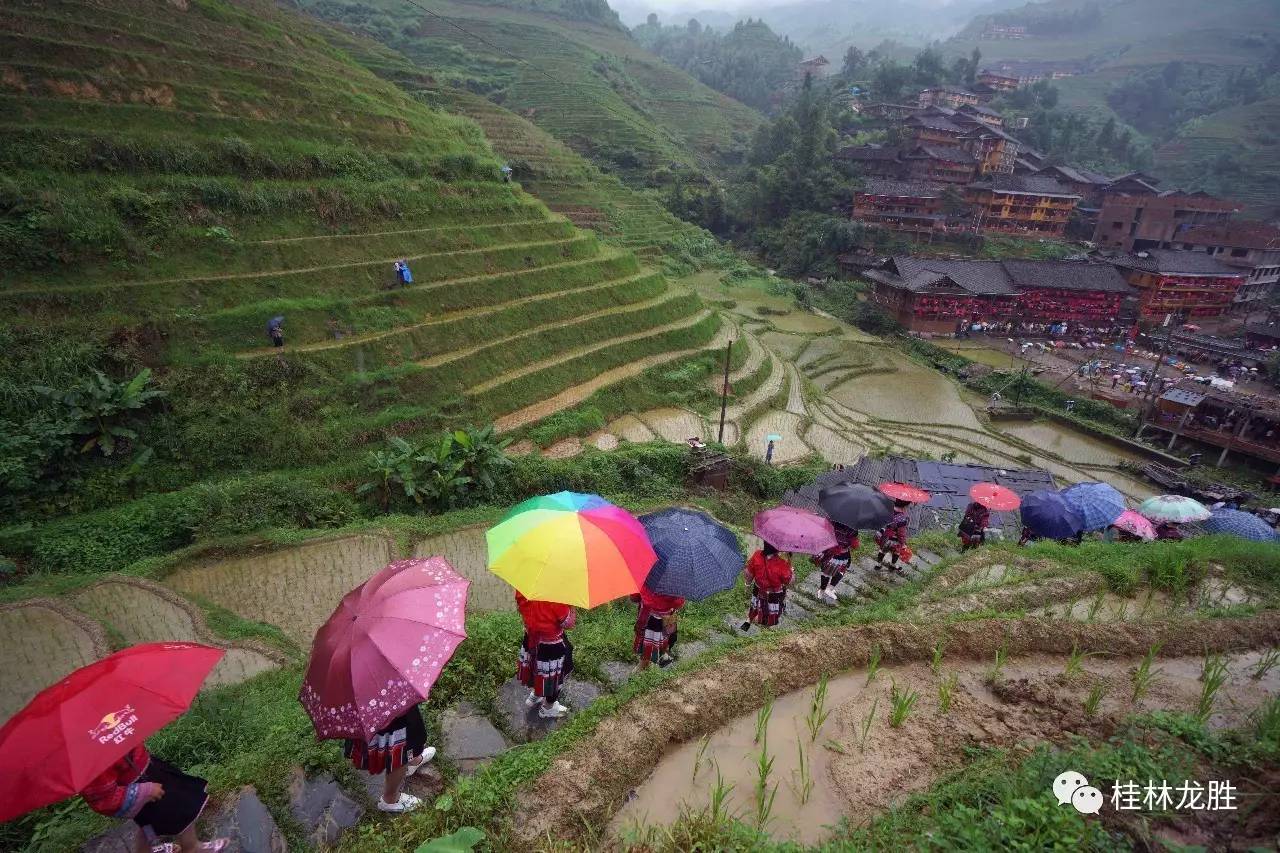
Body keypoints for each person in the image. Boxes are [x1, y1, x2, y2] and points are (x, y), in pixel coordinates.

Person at [81, 744, 229, 853]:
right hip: (138, 787)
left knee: (147, 825)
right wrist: (143, 791)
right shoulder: (89, 758)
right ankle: (192, 848)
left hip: (148, 769)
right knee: (182, 805)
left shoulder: (107, 720)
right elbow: (104, 798)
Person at [343, 705, 437, 814]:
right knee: (398, 748)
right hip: (378, 708)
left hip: (387, 700)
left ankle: (412, 761)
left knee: (408, 736)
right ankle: (390, 799)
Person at [516, 591, 575, 719]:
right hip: (550, 646)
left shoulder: (523, 590)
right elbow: (569, 623)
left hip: (531, 639)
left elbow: (520, 608)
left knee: (535, 668)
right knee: (552, 676)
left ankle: (536, 694)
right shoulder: (555, 598)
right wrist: (573, 606)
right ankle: (548, 707)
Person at [741, 542, 793, 631]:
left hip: (758, 589)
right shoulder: (782, 564)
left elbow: (749, 573)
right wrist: (791, 570)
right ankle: (765, 625)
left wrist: (747, 584)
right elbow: (789, 581)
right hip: (773, 594)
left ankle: (749, 620)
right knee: (769, 611)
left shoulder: (757, 555)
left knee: (755, 604)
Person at [633, 583, 684, 669]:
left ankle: (643, 665)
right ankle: (658, 657)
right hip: (666, 622)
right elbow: (679, 604)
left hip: (647, 620)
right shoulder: (676, 583)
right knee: (663, 641)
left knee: (646, 645)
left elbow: (634, 597)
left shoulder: (647, 578)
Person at [813, 523, 856, 603]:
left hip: (836, 553)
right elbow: (853, 543)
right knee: (834, 572)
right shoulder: (849, 528)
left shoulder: (834, 522)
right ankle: (825, 589)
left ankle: (826, 589)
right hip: (837, 554)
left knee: (833, 572)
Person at [875, 500, 911, 573]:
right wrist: (903, 543)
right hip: (895, 541)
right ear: (905, 506)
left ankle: (879, 564)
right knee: (896, 553)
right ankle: (892, 565)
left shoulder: (887, 511)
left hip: (885, 538)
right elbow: (901, 534)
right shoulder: (902, 519)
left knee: (882, 551)